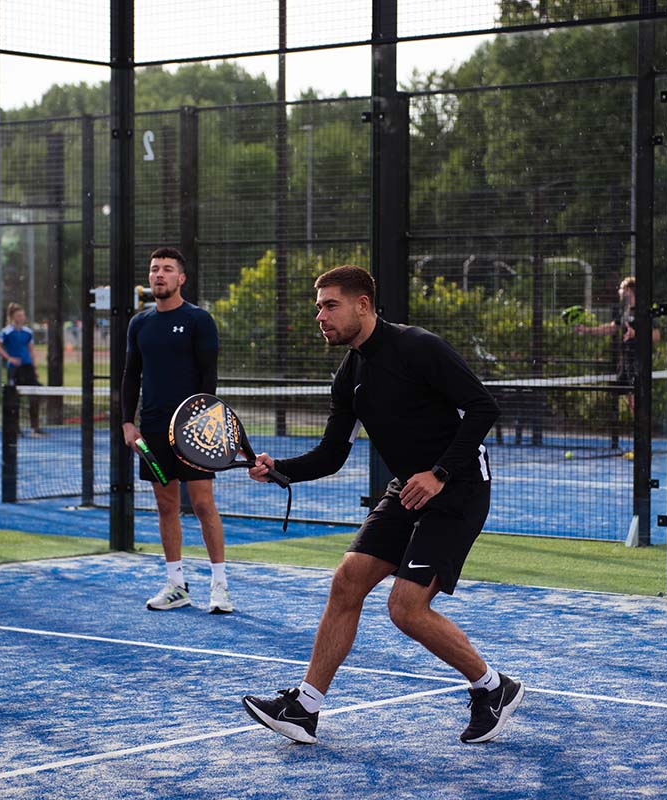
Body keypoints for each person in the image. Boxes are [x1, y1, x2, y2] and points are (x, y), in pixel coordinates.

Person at [241, 265, 522, 745]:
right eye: (318, 307)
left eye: (330, 305)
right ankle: (305, 708)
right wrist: (279, 468)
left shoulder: (418, 347)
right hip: (406, 490)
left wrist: (439, 474)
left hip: (459, 488)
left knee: (405, 608)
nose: (320, 316)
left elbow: (483, 407)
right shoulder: (349, 374)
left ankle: (492, 688)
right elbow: (331, 455)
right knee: (348, 580)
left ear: (363, 305)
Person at [121, 246, 232, 614]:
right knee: (165, 505)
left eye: (167, 269)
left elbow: (208, 378)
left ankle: (220, 587)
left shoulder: (199, 320)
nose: (159, 275)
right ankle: (176, 585)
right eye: (154, 269)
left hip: (194, 429)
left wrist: (204, 423)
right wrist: (127, 422)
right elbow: (130, 377)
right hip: (151, 433)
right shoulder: (139, 323)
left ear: (181, 278)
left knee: (202, 504)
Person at [574, 275, 660, 412]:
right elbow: (610, 328)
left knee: (637, 396)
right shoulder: (625, 311)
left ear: (629, 290)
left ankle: (643, 427)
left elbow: (656, 336)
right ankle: (639, 426)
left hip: (639, 359)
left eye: (622, 289)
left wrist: (635, 334)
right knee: (628, 394)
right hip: (626, 358)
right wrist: (586, 330)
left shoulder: (644, 310)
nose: (620, 292)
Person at [0, 302, 44, 437]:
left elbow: (31, 350)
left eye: (23, 315)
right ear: (12, 317)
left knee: (35, 397)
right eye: (18, 315)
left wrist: (34, 367)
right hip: (14, 369)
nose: (22, 317)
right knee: (14, 399)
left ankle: (34, 429)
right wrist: (9, 358)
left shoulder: (28, 332)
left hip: (28, 368)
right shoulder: (6, 331)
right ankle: (15, 429)